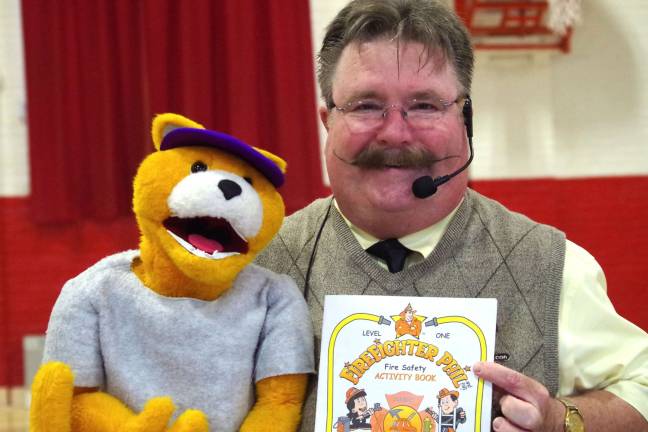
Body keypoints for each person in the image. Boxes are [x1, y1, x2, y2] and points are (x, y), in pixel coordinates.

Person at [256, 0, 648, 430]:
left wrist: (562, 419)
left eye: (424, 105)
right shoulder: (259, 267)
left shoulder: (553, 266)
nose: (395, 132)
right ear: (328, 122)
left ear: (465, 119)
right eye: (367, 105)